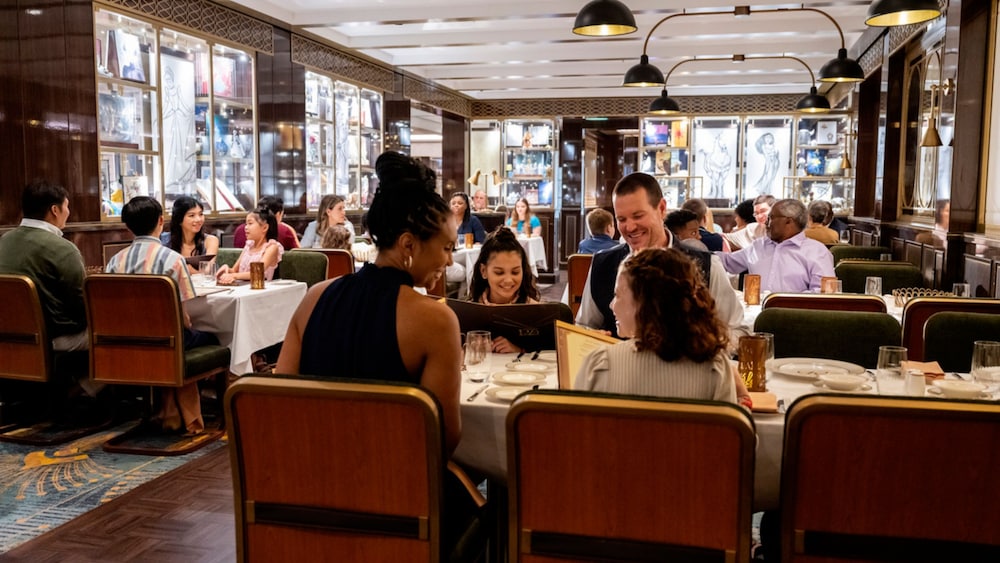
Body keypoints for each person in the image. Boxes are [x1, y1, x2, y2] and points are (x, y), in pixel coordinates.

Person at [276, 152, 480, 553]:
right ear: (408, 244)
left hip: (308, 495)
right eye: (444, 248)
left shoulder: (314, 298)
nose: (449, 260)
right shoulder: (434, 321)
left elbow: (279, 403)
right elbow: (444, 438)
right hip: (397, 506)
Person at [576, 172, 747, 347]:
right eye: (621, 219)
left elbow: (739, 332)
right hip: (620, 371)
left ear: (662, 209)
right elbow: (584, 327)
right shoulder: (602, 264)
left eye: (638, 216)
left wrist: (698, 345)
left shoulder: (706, 265)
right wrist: (591, 339)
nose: (630, 227)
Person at [105, 196, 217, 434]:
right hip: (167, 343)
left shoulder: (115, 261)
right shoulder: (172, 260)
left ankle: (168, 410)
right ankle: (199, 415)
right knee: (214, 337)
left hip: (123, 343)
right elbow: (184, 317)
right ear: (160, 221)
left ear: (127, 226)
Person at [574, 248, 737, 403]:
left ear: (644, 303)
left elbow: (575, 428)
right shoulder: (715, 368)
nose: (611, 305)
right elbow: (727, 430)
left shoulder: (599, 365)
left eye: (617, 295)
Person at [0, 180, 87, 353]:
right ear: (55, 210)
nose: (68, 212)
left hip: (9, 336)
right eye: (67, 206)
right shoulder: (63, 249)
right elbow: (81, 307)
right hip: (56, 339)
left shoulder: (4, 241)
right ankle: (91, 380)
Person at [716, 198, 835, 293]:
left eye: (771, 218)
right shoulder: (759, 246)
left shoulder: (817, 252)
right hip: (757, 315)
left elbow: (825, 294)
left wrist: (781, 303)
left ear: (788, 221)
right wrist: (700, 253)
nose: (766, 223)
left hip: (798, 317)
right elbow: (728, 262)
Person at [217, 207, 284, 284]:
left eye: (250, 223)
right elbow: (234, 270)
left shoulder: (272, 247)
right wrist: (227, 269)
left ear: (265, 227)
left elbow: (258, 273)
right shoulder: (249, 245)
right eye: (246, 224)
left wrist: (234, 276)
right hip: (242, 288)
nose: (246, 227)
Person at [161, 196, 220, 272]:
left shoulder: (211, 240)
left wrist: (185, 269)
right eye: (192, 215)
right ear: (179, 219)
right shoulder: (163, 240)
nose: (198, 219)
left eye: (201, 214)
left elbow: (208, 272)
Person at [232, 195, 300, 250]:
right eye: (248, 223)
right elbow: (299, 255)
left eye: (250, 223)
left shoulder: (239, 229)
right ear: (278, 214)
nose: (246, 228)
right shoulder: (285, 229)